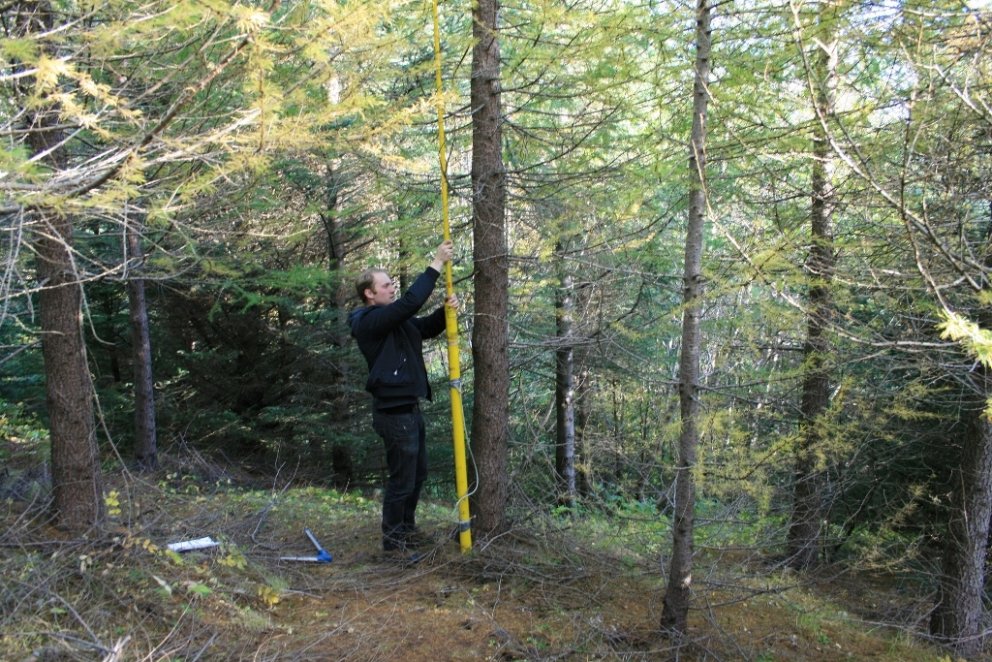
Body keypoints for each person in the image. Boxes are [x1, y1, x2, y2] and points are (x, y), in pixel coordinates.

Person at [348, 240, 457, 556]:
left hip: (408, 408)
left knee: (417, 474)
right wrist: (436, 263)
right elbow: (410, 304)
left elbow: (421, 328)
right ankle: (393, 543)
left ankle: (407, 531)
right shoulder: (370, 321)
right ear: (370, 293)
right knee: (401, 480)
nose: (392, 288)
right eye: (385, 285)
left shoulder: (394, 320)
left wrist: (444, 312)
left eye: (392, 284)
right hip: (393, 414)